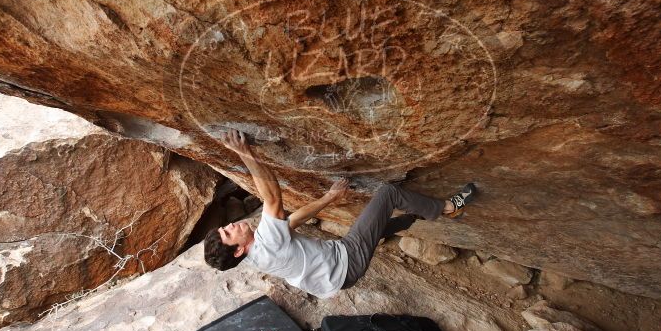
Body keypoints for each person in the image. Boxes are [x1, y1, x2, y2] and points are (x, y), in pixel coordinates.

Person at [202, 129, 476, 298]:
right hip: (346, 261)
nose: (232, 225)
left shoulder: (254, 255)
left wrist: (329, 197)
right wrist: (244, 152)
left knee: (373, 228)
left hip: (336, 277)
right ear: (238, 250)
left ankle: (413, 217)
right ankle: (447, 209)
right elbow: (272, 197)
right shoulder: (265, 244)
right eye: (229, 232)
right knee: (387, 194)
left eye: (226, 227)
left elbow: (292, 221)